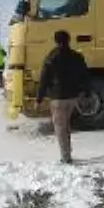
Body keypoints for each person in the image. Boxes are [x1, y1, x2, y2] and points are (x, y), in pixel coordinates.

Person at [35, 30, 88, 164]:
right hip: (72, 97)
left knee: (60, 127)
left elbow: (44, 79)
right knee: (66, 125)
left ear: (56, 41)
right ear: (69, 40)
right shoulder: (77, 56)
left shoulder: (51, 57)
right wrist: (83, 91)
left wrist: (39, 99)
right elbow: (84, 75)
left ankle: (66, 157)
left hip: (58, 98)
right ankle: (67, 152)